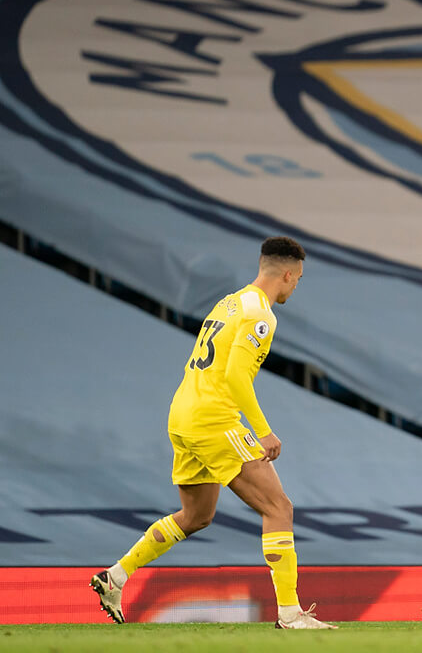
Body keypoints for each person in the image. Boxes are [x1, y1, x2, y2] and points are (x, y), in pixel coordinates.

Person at [89, 236, 335, 630]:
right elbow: (237, 375)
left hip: (183, 414)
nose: (295, 287)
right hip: (214, 419)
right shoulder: (261, 315)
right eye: (298, 280)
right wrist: (264, 432)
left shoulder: (230, 302)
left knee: (196, 515)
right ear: (287, 274)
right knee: (278, 508)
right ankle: (290, 614)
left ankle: (114, 577)